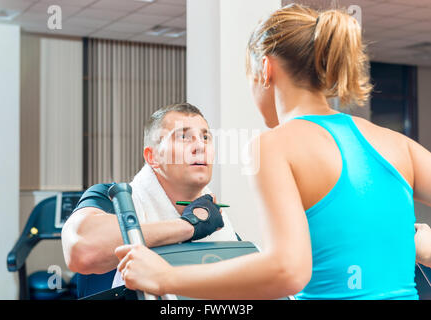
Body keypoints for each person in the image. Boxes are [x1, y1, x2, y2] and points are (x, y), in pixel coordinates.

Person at [114, 4, 431, 300]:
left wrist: (164, 277)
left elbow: (288, 270)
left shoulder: (273, 144)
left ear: (265, 70)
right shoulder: (397, 143)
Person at [62, 103, 238, 281]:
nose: (200, 146)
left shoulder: (218, 223)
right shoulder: (112, 197)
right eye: (184, 136)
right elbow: (82, 250)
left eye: (205, 137)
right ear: (152, 157)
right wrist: (190, 225)